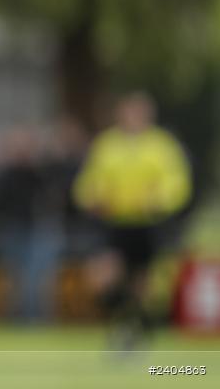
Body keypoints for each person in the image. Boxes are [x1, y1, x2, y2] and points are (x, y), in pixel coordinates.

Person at [73, 92, 191, 349]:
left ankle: (136, 333)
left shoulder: (162, 145)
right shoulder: (107, 144)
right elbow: (89, 180)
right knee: (102, 276)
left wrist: (159, 199)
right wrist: (93, 197)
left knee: (144, 284)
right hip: (114, 222)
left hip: (148, 224)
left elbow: (177, 182)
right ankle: (126, 324)